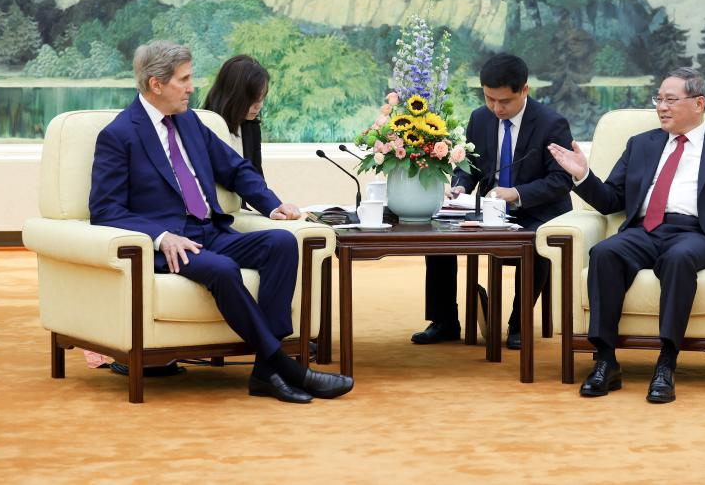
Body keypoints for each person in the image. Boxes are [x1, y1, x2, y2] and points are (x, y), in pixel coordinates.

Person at [89, 40, 353, 404]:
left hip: (211, 230)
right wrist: (160, 236)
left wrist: (272, 206)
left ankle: (265, 371)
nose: (192, 87)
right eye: (184, 79)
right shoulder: (119, 135)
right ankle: (285, 367)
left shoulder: (189, 121)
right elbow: (105, 209)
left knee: (281, 243)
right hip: (173, 244)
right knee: (223, 269)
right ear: (156, 84)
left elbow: (236, 168)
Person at [547, 67, 705, 403]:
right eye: (659, 99)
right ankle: (605, 361)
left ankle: (666, 363)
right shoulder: (641, 144)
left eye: (671, 100)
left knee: (679, 259)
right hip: (644, 230)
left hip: (695, 232)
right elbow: (610, 201)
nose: (661, 107)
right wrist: (583, 176)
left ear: (698, 103)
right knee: (604, 253)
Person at [413, 53, 575, 349]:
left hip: (537, 211)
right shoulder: (480, 118)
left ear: (524, 90)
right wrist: (460, 188)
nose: (496, 108)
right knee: (438, 236)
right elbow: (470, 167)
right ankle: (444, 321)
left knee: (535, 240)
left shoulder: (552, 123)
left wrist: (517, 193)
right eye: (490, 99)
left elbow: (561, 180)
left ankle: (518, 323)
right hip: (490, 209)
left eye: (504, 102)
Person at [202, 54, 270, 178]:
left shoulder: (251, 126)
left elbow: (257, 177)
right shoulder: (205, 128)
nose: (259, 106)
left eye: (262, 98)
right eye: (254, 99)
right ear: (233, 96)